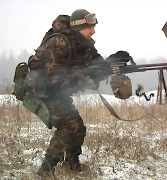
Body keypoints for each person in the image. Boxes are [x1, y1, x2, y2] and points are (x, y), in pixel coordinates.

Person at [24, 9, 130, 177]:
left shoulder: (85, 44)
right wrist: (88, 76)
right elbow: (55, 80)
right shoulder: (59, 42)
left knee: (78, 127)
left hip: (57, 93)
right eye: (90, 27)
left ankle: (72, 165)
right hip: (42, 91)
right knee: (68, 126)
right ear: (79, 27)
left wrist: (112, 62)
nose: (93, 31)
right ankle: (45, 171)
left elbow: (98, 65)